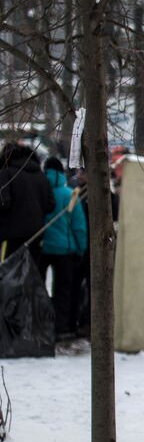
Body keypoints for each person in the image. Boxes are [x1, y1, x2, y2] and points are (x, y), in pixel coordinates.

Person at [40, 157, 87, 339]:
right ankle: (61, 327)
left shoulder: (41, 193)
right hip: (65, 250)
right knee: (63, 290)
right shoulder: (70, 195)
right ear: (61, 172)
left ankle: (43, 324)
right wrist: (81, 248)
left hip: (43, 248)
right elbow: (79, 226)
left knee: (40, 286)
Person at [0, 142, 55, 270]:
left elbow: (4, 203)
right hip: (36, 234)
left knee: (9, 274)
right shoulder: (40, 176)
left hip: (10, 236)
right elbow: (50, 205)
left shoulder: (6, 174)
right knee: (30, 273)